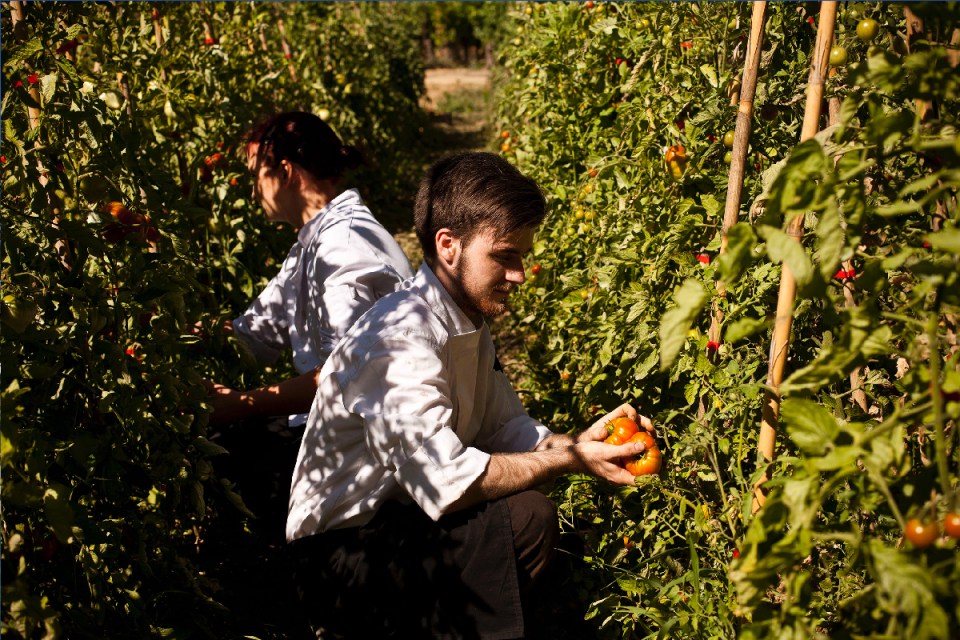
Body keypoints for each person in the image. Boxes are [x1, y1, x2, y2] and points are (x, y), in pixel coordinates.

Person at [286, 152, 654, 639]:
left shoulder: (465, 322)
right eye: (505, 255)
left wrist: (578, 444)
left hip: (396, 524)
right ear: (449, 247)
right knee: (527, 518)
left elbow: (505, 427)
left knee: (528, 516)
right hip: (340, 560)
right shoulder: (398, 341)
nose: (520, 274)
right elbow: (443, 481)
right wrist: (570, 462)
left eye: (521, 256)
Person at [207, 111, 414, 529]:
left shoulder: (344, 247)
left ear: (285, 172)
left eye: (255, 176)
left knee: (223, 454)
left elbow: (342, 381)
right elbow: (255, 333)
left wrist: (237, 404)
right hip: (343, 428)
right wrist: (175, 336)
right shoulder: (315, 243)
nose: (252, 193)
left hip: (367, 448)